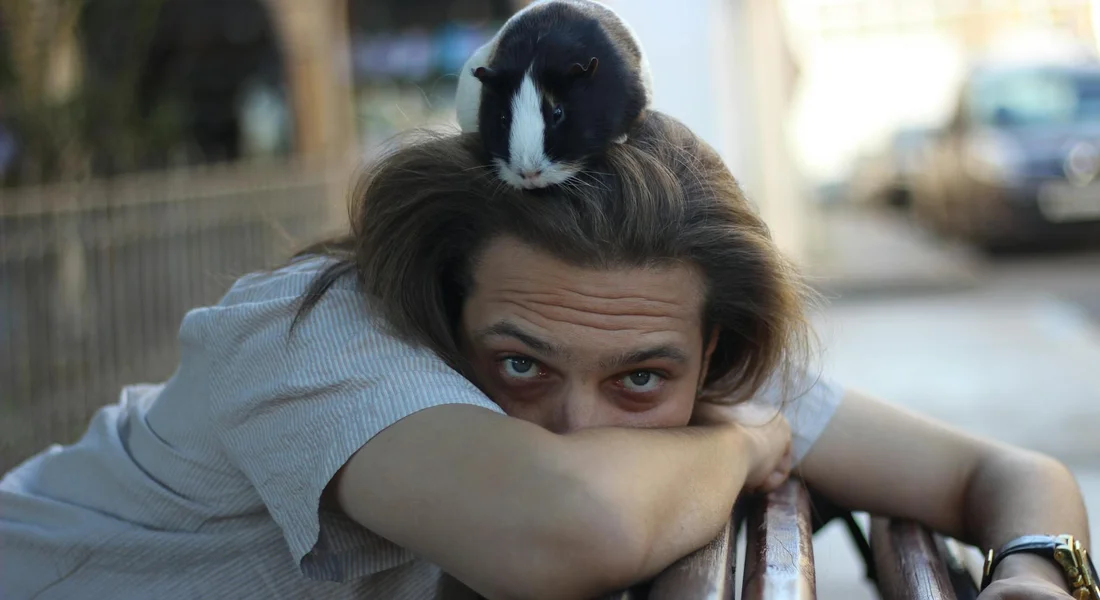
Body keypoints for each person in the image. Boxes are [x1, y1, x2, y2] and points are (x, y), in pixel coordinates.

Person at [0, 113, 1091, 600]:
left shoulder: (646, 330)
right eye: (517, 367)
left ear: (709, 348)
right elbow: (573, 527)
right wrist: (749, 436)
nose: (577, 426)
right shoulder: (317, 334)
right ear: (444, 302)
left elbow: (994, 475)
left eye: (639, 384)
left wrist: (1039, 574)